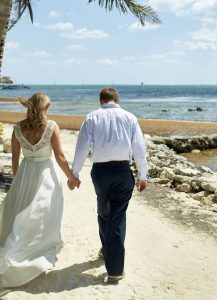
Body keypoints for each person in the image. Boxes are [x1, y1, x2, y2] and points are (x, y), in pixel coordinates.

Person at [0, 92, 80, 288]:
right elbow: (60, 156)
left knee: (24, 212)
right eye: (48, 106)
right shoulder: (51, 127)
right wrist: (72, 178)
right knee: (45, 214)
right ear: (44, 108)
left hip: (25, 172)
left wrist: (18, 180)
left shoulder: (18, 127)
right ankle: (43, 253)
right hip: (46, 174)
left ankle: (38, 251)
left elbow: (15, 158)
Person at [69, 87, 148, 283]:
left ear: (101, 101)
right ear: (117, 99)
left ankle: (108, 252)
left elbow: (82, 147)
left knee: (104, 211)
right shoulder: (130, 117)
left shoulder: (92, 117)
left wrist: (75, 173)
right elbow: (139, 147)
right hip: (122, 171)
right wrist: (142, 175)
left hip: (101, 172)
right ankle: (115, 268)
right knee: (117, 216)